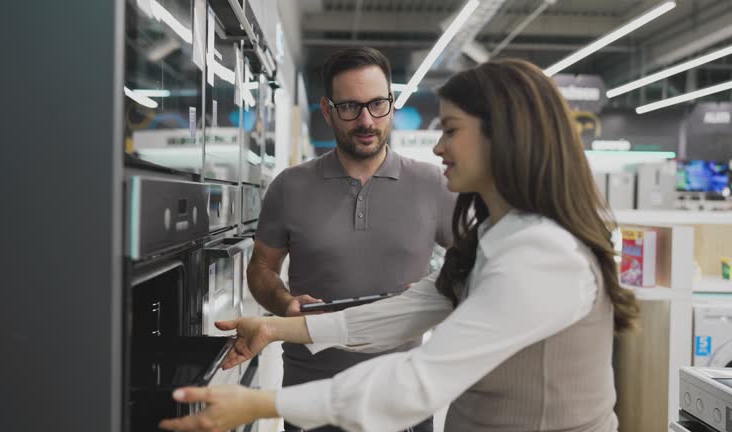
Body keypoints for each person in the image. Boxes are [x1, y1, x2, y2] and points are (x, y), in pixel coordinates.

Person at [158, 58, 640, 432]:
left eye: (451, 130)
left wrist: (264, 402)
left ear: (504, 137)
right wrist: (276, 328)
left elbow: (418, 381)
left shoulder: (543, 255)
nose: (437, 147)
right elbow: (403, 311)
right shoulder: (497, 235)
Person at [241, 47, 454, 432]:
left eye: (378, 104)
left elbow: (475, 264)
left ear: (391, 101)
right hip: (311, 397)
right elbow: (261, 269)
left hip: (402, 397)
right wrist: (285, 302)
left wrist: (435, 291)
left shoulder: (433, 184)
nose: (366, 120)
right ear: (327, 110)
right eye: (350, 108)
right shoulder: (290, 186)